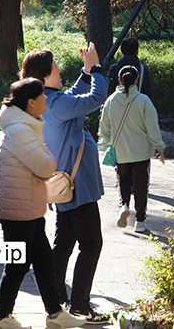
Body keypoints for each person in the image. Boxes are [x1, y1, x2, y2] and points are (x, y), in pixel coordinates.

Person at [21, 43, 109, 322]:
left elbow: (72, 96)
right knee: (91, 245)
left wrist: (85, 73)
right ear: (45, 76)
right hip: (77, 186)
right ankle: (80, 305)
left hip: (64, 183)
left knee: (64, 244)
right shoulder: (55, 104)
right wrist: (95, 69)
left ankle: (56, 298)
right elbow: (95, 99)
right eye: (56, 67)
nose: (60, 70)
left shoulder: (43, 100)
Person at [0, 78, 87, 329]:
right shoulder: (19, 130)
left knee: (44, 263)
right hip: (17, 210)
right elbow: (45, 166)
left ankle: (55, 314)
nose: (46, 100)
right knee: (18, 265)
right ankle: (1, 318)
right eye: (42, 96)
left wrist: (46, 158)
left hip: (28, 207)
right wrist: (50, 159)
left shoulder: (24, 125)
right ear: (31, 103)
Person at [98, 66, 165, 234]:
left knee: (123, 182)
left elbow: (104, 126)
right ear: (137, 80)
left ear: (119, 81)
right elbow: (152, 127)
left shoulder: (111, 101)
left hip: (120, 153)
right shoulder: (143, 100)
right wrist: (158, 147)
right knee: (141, 187)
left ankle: (124, 206)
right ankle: (140, 222)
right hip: (141, 153)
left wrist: (106, 145)